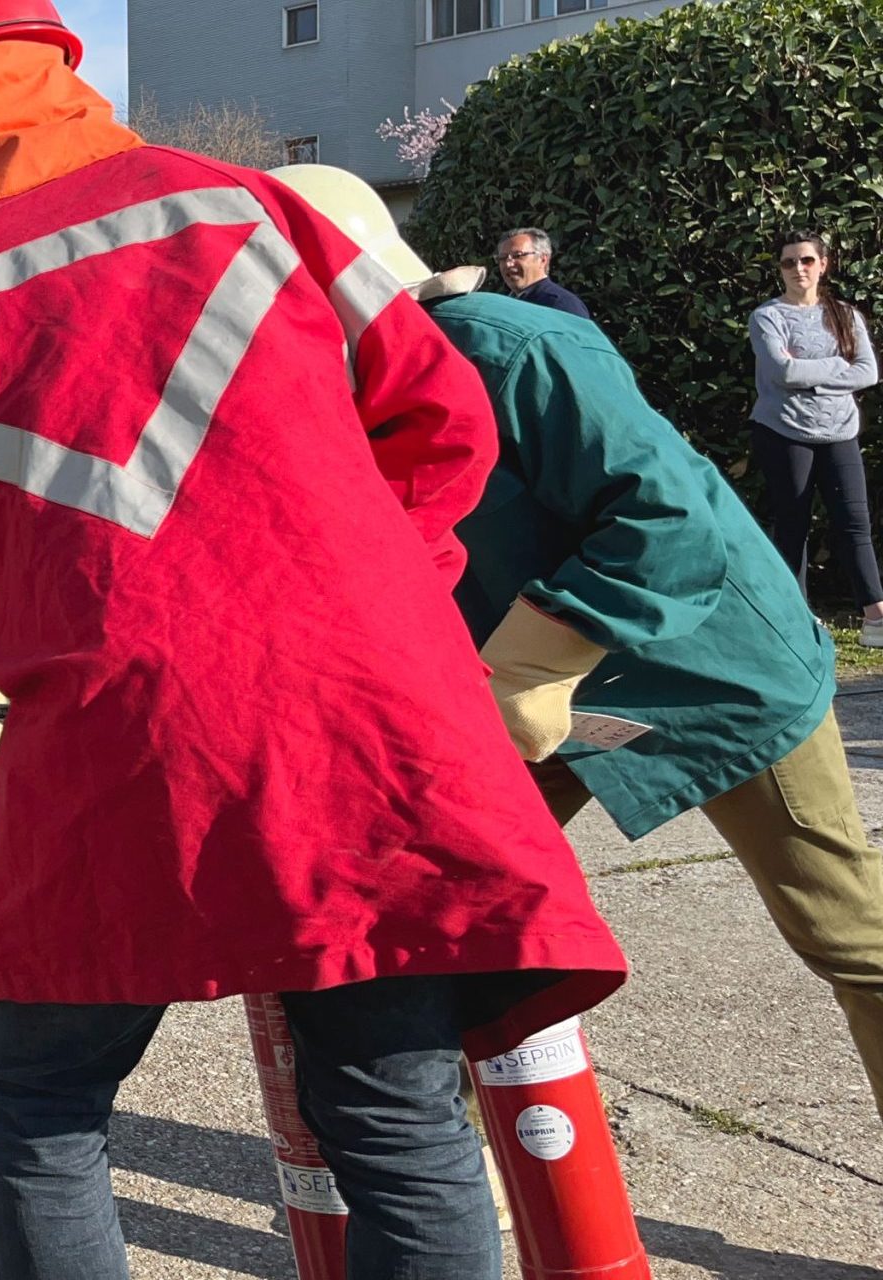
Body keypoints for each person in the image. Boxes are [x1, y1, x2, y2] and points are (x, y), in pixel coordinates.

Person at [0, 3, 629, 1276]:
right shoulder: (250, 207)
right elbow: (444, 421)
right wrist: (373, 600)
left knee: (44, 1109)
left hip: (117, 750)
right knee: (397, 1121)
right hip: (369, 724)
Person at [274, 162, 883, 1139]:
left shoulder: (509, 347)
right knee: (436, 919)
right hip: (528, 700)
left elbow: (666, 522)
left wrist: (525, 665)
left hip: (714, 675)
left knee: (847, 935)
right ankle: (450, 1200)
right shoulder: (340, 400)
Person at [749, 229, 883, 646]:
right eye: (789, 262)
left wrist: (812, 375)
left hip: (840, 432)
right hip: (784, 431)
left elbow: (869, 371)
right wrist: (837, 369)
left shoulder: (845, 315)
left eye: (807, 260)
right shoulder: (767, 317)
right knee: (792, 524)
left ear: (823, 265)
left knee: (855, 524)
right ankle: (795, 621)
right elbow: (782, 372)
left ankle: (876, 620)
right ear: (780, 269)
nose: (798, 269)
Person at [494, 228, 592, 322]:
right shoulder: (506, 305)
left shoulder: (561, 304)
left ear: (542, 259)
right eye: (502, 258)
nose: (508, 264)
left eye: (518, 255)